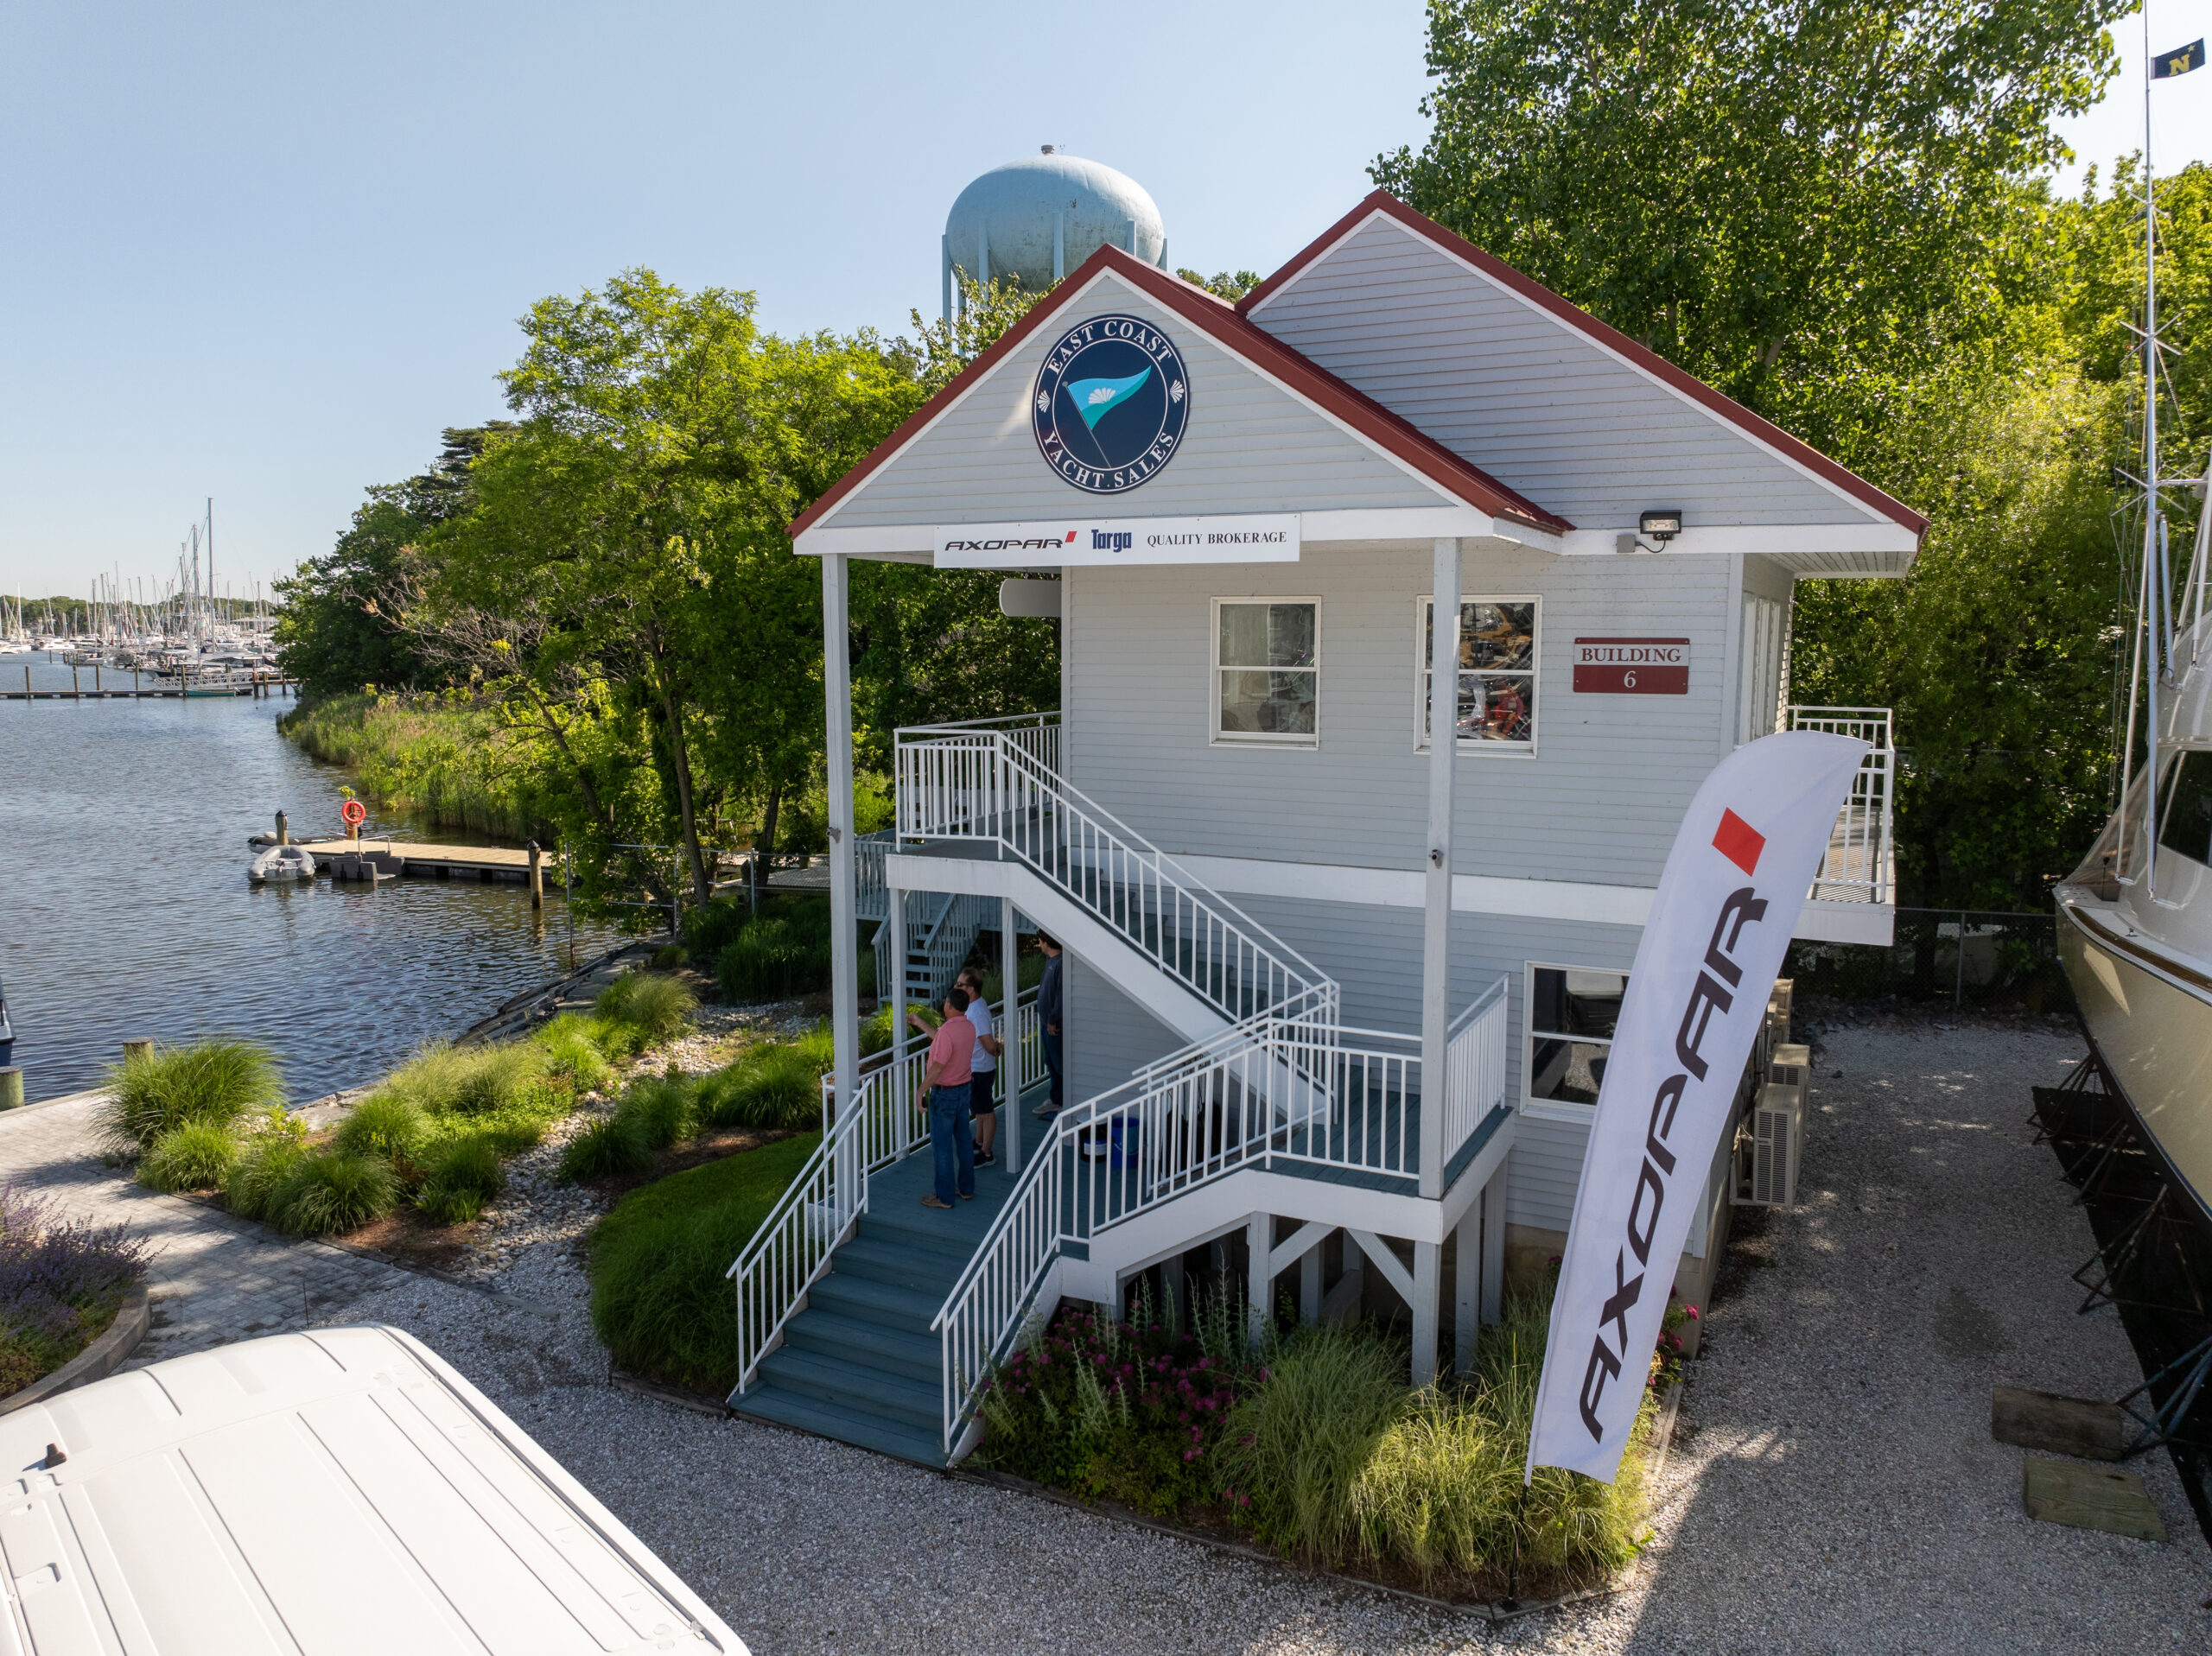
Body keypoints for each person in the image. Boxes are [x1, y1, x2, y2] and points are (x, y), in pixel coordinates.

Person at [915, 986, 977, 1209]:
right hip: (964, 1091)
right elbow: (940, 1037)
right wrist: (919, 1022)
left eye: (945, 1002)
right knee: (962, 1140)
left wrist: (921, 1091)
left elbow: (938, 1066)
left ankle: (944, 1197)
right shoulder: (969, 1027)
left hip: (945, 1095)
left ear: (950, 1006)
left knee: (941, 1146)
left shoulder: (947, 1033)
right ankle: (967, 1189)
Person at [956, 966, 1004, 1166]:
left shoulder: (977, 1013)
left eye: (960, 984)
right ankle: (979, 1141)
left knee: (986, 1111)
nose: (956, 987)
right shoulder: (973, 1007)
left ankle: (986, 1153)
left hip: (980, 1070)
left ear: (972, 988)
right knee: (980, 1110)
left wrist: (997, 1047)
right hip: (975, 1069)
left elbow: (988, 1044)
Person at [1033, 932, 1064, 1119]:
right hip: (1045, 1023)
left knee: (1058, 1062)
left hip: (1053, 1025)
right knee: (1050, 1061)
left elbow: (1060, 994)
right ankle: (1055, 1098)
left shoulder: (1059, 963)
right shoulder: (1050, 961)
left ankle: (1061, 1099)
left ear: (1047, 942)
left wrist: (1053, 1019)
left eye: (1040, 941)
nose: (1039, 944)